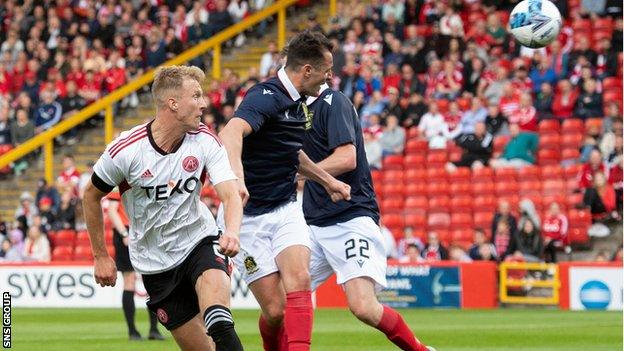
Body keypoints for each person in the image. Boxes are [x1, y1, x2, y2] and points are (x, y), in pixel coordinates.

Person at [83, 66, 244, 351]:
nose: (204, 103)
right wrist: (100, 256)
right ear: (173, 103)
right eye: (196, 96)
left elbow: (231, 194)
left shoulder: (205, 140)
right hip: (154, 262)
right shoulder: (126, 151)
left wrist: (231, 231)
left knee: (219, 321)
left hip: (200, 241)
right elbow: (90, 195)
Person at [217, 31, 351, 351]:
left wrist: (327, 180)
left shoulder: (299, 100)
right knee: (275, 311)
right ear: (306, 70)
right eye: (326, 70)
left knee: (300, 281)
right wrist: (237, 177)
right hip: (247, 218)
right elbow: (231, 131)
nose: (329, 77)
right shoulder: (266, 95)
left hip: (285, 207)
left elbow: (290, 153)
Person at [304, 81, 436, 351]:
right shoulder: (292, 108)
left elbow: (346, 158)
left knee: (363, 306)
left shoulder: (334, 102)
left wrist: (300, 172)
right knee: (280, 302)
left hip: (350, 217)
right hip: (312, 222)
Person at [106, 187, 163, 340]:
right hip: (127, 232)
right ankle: (133, 331)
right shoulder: (121, 181)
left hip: (145, 230)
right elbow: (112, 211)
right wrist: (124, 234)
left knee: (152, 281)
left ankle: (152, 330)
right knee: (131, 280)